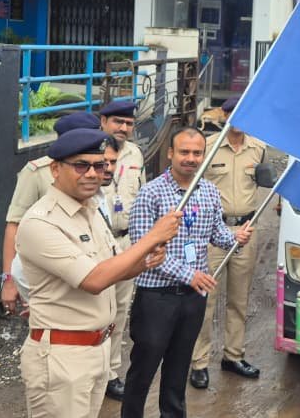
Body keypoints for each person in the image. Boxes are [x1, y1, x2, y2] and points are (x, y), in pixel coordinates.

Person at [14, 129, 179, 418]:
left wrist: (143, 263)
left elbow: (112, 268)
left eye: (99, 165)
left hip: (96, 349)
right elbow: (94, 279)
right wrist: (151, 238)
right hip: (63, 358)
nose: (92, 173)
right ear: (55, 169)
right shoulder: (41, 222)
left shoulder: (91, 210)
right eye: (81, 165)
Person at [122, 128, 252, 418]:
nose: (191, 159)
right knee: (144, 368)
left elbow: (217, 233)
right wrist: (188, 274)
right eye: (184, 152)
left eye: (197, 153)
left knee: (178, 370)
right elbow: (143, 251)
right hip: (157, 298)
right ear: (170, 153)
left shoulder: (208, 191)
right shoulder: (151, 193)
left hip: (193, 299)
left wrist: (235, 238)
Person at [190, 96, 267, 388]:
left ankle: (233, 355)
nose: (239, 117)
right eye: (233, 112)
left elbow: (264, 181)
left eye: (245, 111)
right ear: (224, 114)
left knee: (239, 298)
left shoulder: (258, 149)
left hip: (246, 230)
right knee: (205, 298)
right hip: (211, 230)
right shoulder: (207, 148)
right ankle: (198, 362)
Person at [1, 111, 102, 317]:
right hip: (50, 273)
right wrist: (8, 280)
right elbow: (14, 224)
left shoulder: (97, 171)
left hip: (88, 267)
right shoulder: (37, 172)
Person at [98, 100, 147, 400]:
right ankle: (93, 369)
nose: (124, 128)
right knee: (95, 311)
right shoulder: (91, 150)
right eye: (118, 121)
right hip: (95, 243)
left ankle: (110, 373)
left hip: (126, 241)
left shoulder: (135, 153)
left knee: (118, 312)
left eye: (129, 124)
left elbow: (138, 196)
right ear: (102, 121)